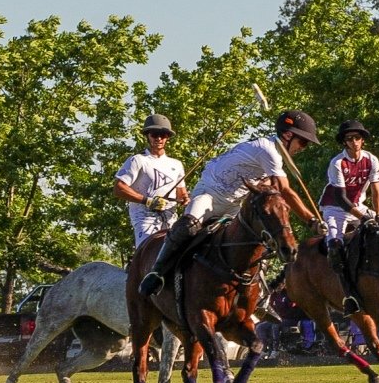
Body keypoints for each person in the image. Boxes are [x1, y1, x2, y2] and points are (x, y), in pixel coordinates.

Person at [139, 110, 327, 296]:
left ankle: (258, 293)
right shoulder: (269, 151)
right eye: (303, 141)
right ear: (287, 134)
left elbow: (270, 188)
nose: (303, 147)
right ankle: (157, 273)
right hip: (210, 195)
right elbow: (285, 191)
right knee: (188, 226)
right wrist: (311, 220)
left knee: (260, 236)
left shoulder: (278, 157)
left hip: (234, 205)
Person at [318, 120, 379, 317]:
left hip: (359, 206)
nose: (354, 141)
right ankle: (349, 296)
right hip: (334, 208)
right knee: (335, 247)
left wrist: (378, 216)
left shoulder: (372, 160)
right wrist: (364, 218)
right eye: (349, 139)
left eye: (357, 137)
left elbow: (376, 191)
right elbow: (341, 197)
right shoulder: (337, 163)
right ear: (344, 142)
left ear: (362, 140)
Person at [113, 114, 190, 248]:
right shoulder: (137, 160)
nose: (159, 138)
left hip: (171, 220)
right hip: (145, 219)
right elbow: (118, 189)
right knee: (150, 253)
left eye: (163, 135)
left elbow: (181, 195)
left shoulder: (177, 164)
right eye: (155, 134)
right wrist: (147, 201)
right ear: (148, 136)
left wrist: (185, 199)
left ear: (168, 137)